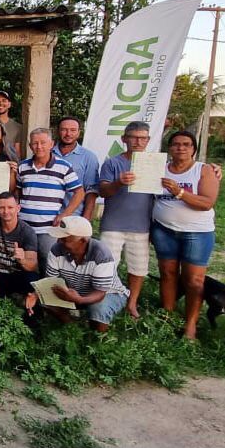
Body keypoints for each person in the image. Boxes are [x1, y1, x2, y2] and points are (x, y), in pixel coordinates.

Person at [153, 130, 220, 339]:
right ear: (169, 148)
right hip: (164, 229)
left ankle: (191, 325)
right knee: (167, 273)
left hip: (196, 233)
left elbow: (207, 203)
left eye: (186, 144)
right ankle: (167, 316)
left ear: (194, 149)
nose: (180, 148)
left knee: (194, 280)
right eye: (176, 144)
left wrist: (179, 192)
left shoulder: (204, 170)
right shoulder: (160, 168)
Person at [26, 216, 129, 332]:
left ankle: (98, 338)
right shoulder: (56, 250)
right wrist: (35, 295)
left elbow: (100, 293)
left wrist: (79, 300)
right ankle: (73, 328)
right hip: (75, 292)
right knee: (46, 301)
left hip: (108, 293)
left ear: (82, 240)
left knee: (98, 308)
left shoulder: (101, 254)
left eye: (65, 239)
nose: (59, 241)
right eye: (59, 237)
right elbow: (50, 281)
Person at [97, 121, 156, 319]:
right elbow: (103, 191)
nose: (138, 142)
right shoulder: (112, 163)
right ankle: (105, 300)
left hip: (141, 225)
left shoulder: (154, 164)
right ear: (124, 139)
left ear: (148, 140)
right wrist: (118, 183)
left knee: (138, 267)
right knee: (107, 265)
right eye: (133, 137)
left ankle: (132, 303)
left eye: (143, 138)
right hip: (113, 224)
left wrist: (214, 169)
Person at [17, 128, 85, 271]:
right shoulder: (22, 166)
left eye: (43, 142)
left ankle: (47, 285)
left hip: (48, 227)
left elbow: (79, 192)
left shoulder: (63, 167)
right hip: (24, 225)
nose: (39, 146)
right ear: (30, 146)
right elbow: (17, 192)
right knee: (24, 262)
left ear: (51, 144)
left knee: (48, 262)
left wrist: (64, 214)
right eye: (35, 143)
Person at [53, 117, 100, 219]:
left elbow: (91, 191)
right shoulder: (47, 153)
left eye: (73, 130)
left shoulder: (88, 157)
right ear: (57, 131)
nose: (68, 134)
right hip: (46, 216)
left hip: (74, 217)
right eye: (64, 130)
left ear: (79, 132)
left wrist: (86, 218)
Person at [0, 91, 23, 158]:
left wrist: (17, 163)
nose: (0, 103)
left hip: (9, 162)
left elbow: (17, 152)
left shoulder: (17, 127)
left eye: (4, 100)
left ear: (9, 104)